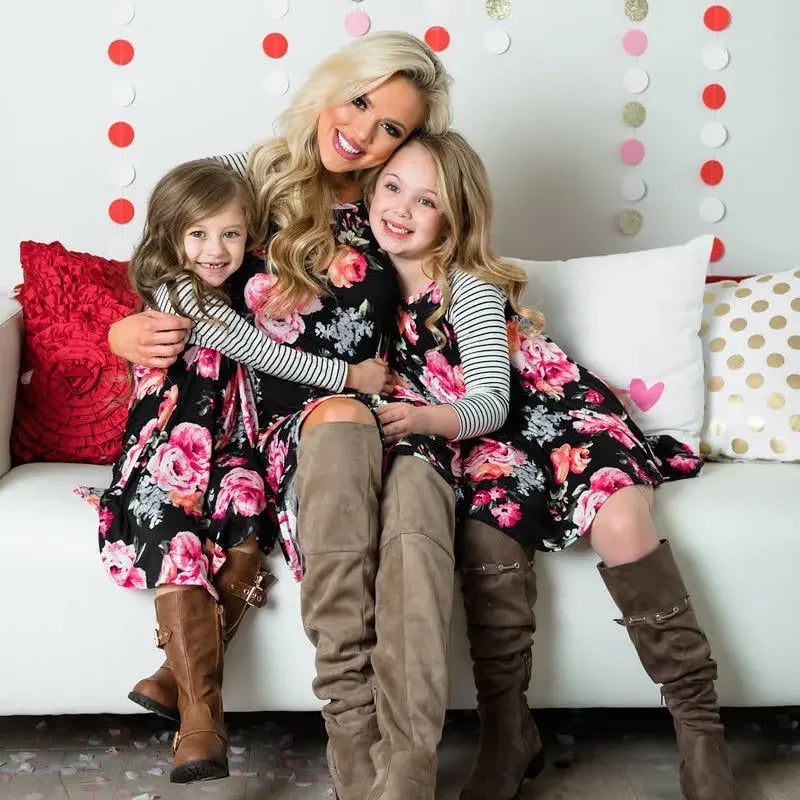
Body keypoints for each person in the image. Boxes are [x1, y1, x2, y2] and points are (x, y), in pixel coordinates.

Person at [108, 32, 455, 800]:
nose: (364, 134)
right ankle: (347, 740)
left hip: (391, 414)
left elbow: (454, 294)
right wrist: (124, 326)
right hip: (287, 424)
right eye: (361, 102)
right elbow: (170, 252)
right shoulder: (257, 175)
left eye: (392, 127)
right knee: (311, 448)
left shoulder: (398, 201)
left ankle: (405, 774)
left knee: (416, 530)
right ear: (333, 84)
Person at [364, 131, 736, 800]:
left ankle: (701, 734)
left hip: (549, 416)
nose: (401, 209)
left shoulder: (468, 287)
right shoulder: (363, 289)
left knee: (622, 526)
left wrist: (422, 420)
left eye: (427, 200)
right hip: (489, 450)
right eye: (392, 187)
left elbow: (489, 402)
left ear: (454, 217)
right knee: (485, 531)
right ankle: (508, 730)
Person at [91, 159, 393, 784]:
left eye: (230, 234)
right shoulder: (181, 290)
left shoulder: (253, 275)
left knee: (248, 516)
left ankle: (175, 676)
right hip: (175, 436)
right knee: (177, 525)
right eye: (197, 234)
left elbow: (263, 169)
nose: (214, 249)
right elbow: (259, 352)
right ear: (170, 236)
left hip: (234, 442)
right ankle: (201, 723)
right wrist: (351, 377)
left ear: (250, 233)